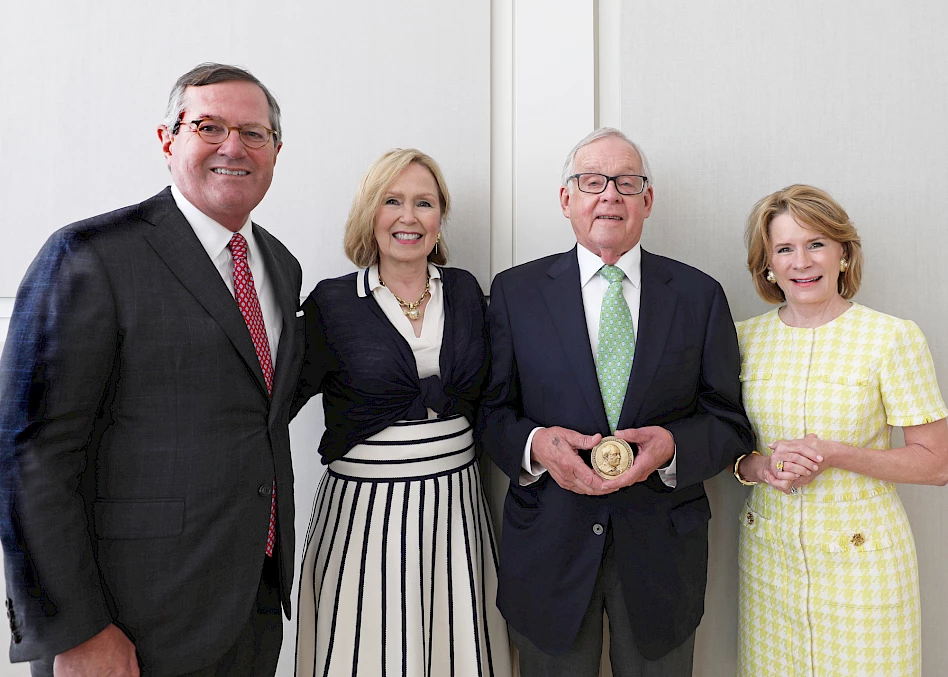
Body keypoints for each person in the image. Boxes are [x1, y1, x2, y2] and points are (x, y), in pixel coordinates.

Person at [0, 63, 303, 677]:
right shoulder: (91, 256)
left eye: (254, 133)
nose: (233, 147)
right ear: (168, 140)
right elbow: (28, 453)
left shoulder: (281, 265)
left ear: (275, 151)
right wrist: (74, 631)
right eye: (209, 126)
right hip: (126, 629)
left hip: (252, 610)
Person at [479, 127, 753, 676]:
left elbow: (729, 421)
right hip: (549, 551)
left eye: (626, 183)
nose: (610, 195)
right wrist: (536, 447)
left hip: (661, 558)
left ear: (646, 200)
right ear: (566, 199)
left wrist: (674, 446)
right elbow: (489, 415)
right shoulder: (514, 293)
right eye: (592, 181)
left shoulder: (699, 296)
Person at [291, 149, 511, 677]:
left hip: (455, 509)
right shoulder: (331, 304)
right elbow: (271, 400)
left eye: (424, 203)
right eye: (392, 201)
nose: (408, 217)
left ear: (440, 217)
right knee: (366, 650)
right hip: (363, 514)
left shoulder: (466, 292)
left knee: (457, 647)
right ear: (371, 213)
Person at [733, 184, 948, 677]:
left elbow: (937, 464)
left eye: (816, 244)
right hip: (770, 560)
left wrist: (834, 453)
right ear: (766, 263)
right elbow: (725, 448)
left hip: (865, 561)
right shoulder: (743, 339)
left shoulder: (892, 338)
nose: (801, 261)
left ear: (843, 254)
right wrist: (763, 467)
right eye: (784, 248)